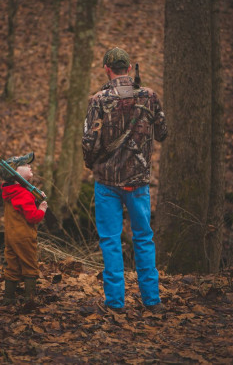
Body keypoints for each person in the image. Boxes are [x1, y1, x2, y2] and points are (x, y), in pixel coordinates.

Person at [82, 47, 168, 313]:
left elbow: (88, 142)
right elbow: (163, 133)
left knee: (110, 240)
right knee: (143, 238)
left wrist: (91, 164)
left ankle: (115, 303)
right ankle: (152, 301)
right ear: (129, 69)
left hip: (107, 182)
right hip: (139, 182)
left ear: (107, 69)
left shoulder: (98, 100)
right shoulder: (150, 97)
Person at [0, 152, 48, 304]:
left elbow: (21, 205)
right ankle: (29, 298)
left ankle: (8, 298)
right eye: (25, 165)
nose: (29, 166)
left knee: (12, 265)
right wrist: (42, 208)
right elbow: (33, 217)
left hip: (11, 236)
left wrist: (35, 196)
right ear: (16, 174)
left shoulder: (10, 192)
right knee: (29, 265)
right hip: (24, 236)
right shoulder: (24, 195)